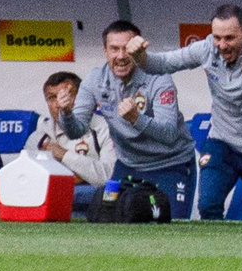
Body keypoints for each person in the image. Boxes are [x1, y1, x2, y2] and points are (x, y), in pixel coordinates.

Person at [139, 5, 242, 221]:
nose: (222, 45)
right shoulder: (206, 49)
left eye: (229, 38)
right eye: (217, 37)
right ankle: (217, 244)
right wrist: (139, 55)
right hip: (223, 143)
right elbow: (161, 63)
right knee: (208, 205)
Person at [70, 23, 195, 215]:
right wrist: (65, 114)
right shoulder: (95, 80)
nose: (121, 56)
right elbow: (76, 131)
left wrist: (137, 119)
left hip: (170, 164)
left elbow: (169, 134)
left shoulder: (159, 78)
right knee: (108, 217)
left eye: (127, 49)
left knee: (171, 223)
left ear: (138, 50)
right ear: (105, 51)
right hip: (128, 165)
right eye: (114, 49)